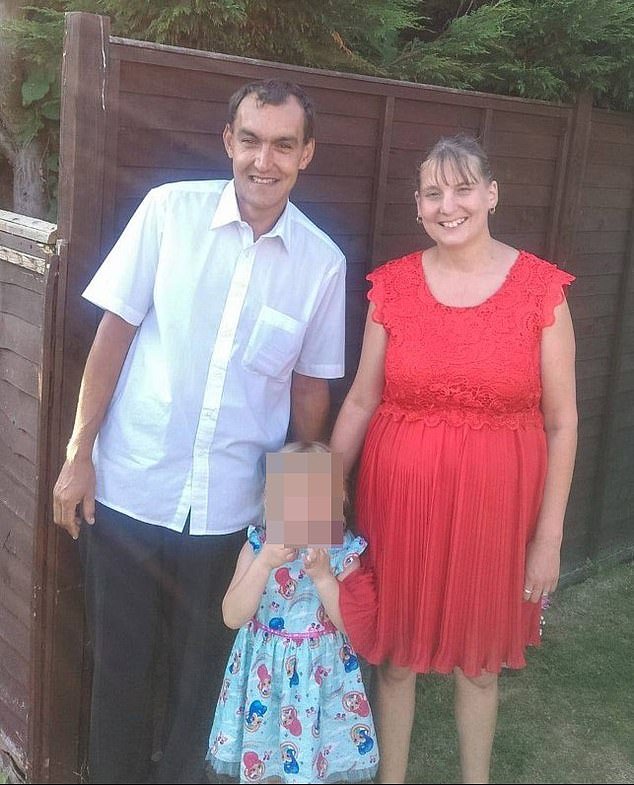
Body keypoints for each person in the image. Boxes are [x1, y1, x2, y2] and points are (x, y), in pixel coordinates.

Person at [52, 80, 346, 784]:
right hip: (130, 488)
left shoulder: (322, 263)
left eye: (282, 145)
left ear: (306, 153)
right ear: (227, 142)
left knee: (206, 676)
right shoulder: (168, 213)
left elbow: (310, 392)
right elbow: (113, 336)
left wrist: (304, 514)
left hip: (230, 513)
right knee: (119, 668)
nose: (264, 161)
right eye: (250, 140)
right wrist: (78, 454)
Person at [332, 134, 577, 784]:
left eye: (463, 188)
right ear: (417, 206)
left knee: (480, 666)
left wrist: (549, 536)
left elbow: (562, 421)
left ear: (492, 194)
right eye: (432, 193)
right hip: (399, 504)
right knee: (396, 659)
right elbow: (360, 400)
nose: (448, 205)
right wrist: (299, 505)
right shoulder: (391, 286)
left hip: (498, 514)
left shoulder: (542, 290)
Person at [207, 441, 378, 784]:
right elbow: (232, 616)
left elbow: (350, 626)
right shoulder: (257, 547)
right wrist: (263, 564)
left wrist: (324, 578)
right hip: (265, 679)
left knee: (315, 760)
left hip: (321, 682)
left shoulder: (342, 553)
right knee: (266, 759)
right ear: (271, 502)